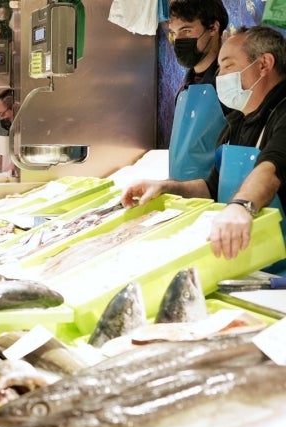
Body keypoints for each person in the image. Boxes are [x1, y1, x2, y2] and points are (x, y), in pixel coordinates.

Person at [121, 26, 286, 264]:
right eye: (219, 68)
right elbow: (211, 188)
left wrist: (241, 206)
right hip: (249, 260)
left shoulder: (282, 113)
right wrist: (166, 187)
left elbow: (271, 168)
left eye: (228, 65)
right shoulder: (235, 123)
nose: (220, 76)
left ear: (263, 65)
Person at [166, 0, 231, 181]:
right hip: (181, 195)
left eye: (186, 30)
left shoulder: (231, 84)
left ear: (213, 28)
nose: (179, 40)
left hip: (218, 197)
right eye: (173, 33)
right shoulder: (184, 89)